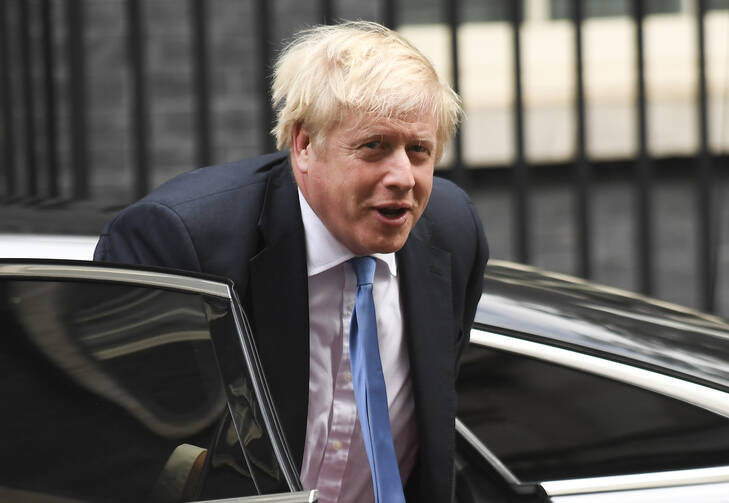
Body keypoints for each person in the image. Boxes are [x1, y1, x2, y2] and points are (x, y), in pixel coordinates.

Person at [94, 20, 488, 503]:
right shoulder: (181, 243)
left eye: (419, 150)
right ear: (304, 145)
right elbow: (128, 459)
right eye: (374, 147)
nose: (404, 177)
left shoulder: (452, 232)